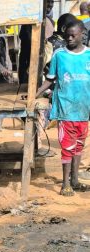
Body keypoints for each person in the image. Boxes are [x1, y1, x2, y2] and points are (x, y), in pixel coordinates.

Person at [37, 19, 90, 196]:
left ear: (82, 35)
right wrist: (35, 94)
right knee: (67, 147)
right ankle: (65, 183)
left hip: (83, 110)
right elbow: (50, 79)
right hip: (65, 109)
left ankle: (75, 180)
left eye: (73, 35)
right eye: (67, 35)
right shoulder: (59, 55)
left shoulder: (89, 55)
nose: (69, 38)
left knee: (78, 146)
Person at [19, 0, 55, 86]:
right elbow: (27, 45)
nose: (50, 5)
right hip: (30, 62)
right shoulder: (30, 22)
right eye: (47, 2)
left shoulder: (50, 21)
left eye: (52, 2)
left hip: (45, 64)